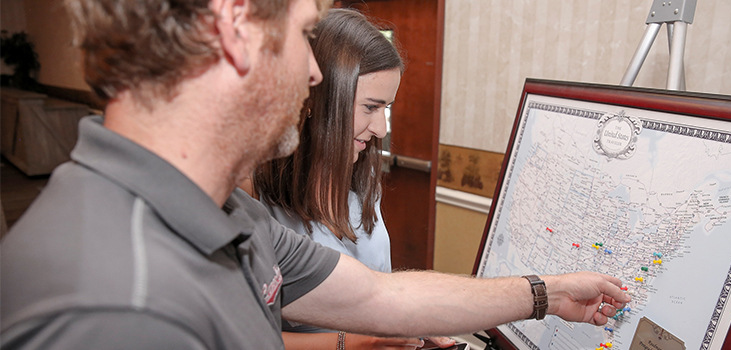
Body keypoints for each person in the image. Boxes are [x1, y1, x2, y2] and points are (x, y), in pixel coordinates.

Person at [0, 0, 631, 349]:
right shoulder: (117, 308)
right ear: (235, 25)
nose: (311, 75)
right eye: (304, 34)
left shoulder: (226, 213)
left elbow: (375, 297)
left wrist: (546, 292)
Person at [247, 8, 453, 349]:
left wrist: (410, 320)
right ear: (320, 98)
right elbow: (247, 339)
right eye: (370, 108)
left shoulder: (362, 175)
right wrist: (356, 342)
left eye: (386, 109)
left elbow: (376, 289)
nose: (381, 129)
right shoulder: (254, 193)